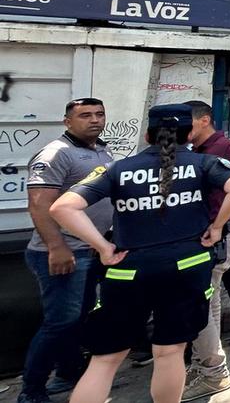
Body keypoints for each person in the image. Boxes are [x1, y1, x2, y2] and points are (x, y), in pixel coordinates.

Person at [48, 104, 230, 403]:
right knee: (169, 352)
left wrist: (104, 247)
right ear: (188, 134)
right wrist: (218, 226)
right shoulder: (204, 163)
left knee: (105, 359)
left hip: (127, 271)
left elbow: (62, 207)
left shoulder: (117, 168)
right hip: (187, 270)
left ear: (147, 134)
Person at [18, 98, 114, 403]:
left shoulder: (101, 150)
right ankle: (31, 391)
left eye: (99, 114)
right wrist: (56, 247)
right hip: (64, 252)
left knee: (79, 317)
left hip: (92, 250)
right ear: (67, 121)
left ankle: (68, 373)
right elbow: (39, 204)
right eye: (85, 115)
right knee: (60, 322)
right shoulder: (56, 153)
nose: (94, 120)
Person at [181, 100, 230, 401]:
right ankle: (206, 363)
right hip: (206, 235)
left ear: (204, 120)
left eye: (188, 123)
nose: (183, 130)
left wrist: (218, 225)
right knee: (211, 301)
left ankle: (212, 371)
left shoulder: (226, 149)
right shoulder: (196, 152)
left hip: (216, 236)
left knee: (203, 302)